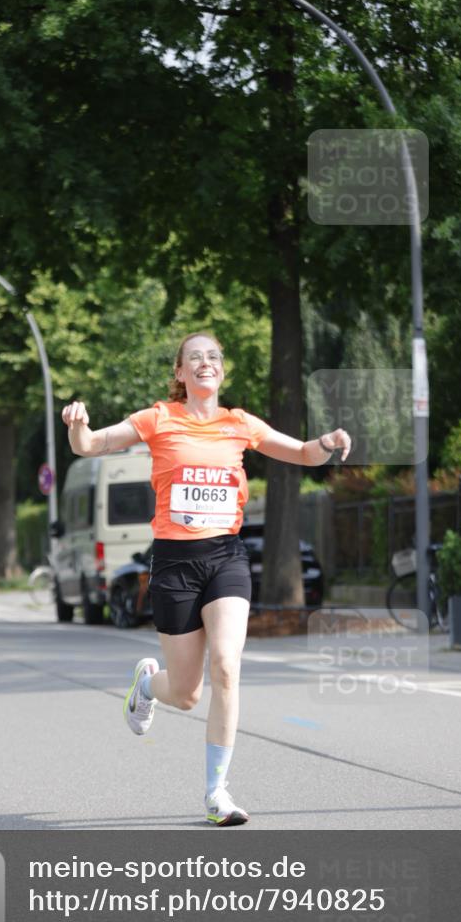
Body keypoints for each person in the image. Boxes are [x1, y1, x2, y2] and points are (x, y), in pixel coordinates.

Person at [61, 332, 351, 826]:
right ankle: (148, 686)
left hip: (225, 557)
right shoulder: (157, 419)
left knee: (226, 667)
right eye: (193, 357)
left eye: (212, 356)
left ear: (222, 369)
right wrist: (78, 425)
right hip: (174, 563)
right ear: (180, 372)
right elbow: (89, 446)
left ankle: (217, 792)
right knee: (187, 693)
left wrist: (328, 443)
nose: (204, 363)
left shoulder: (239, 423)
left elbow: (303, 453)